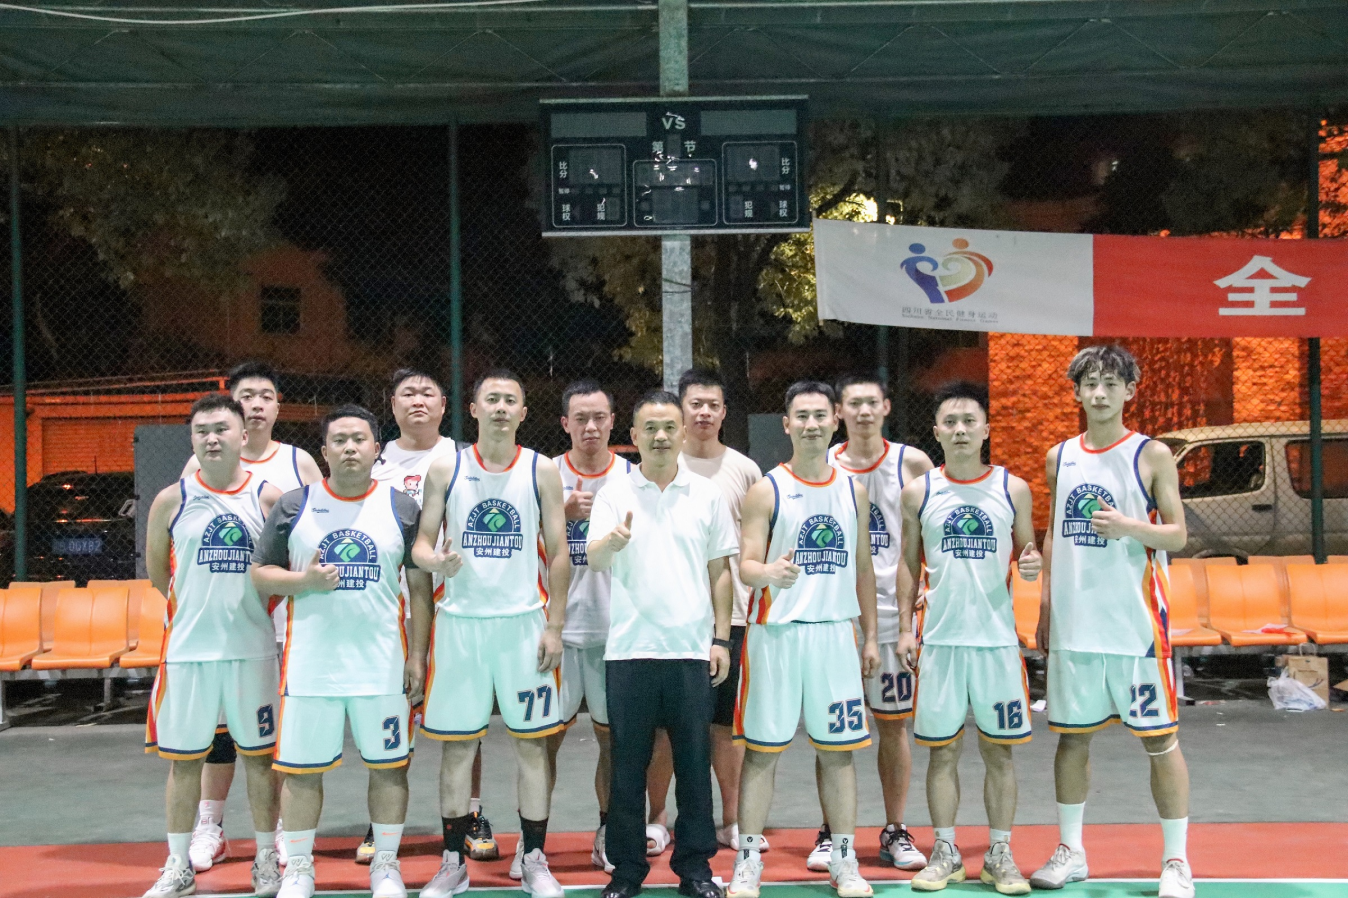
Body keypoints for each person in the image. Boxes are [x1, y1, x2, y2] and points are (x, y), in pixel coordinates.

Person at [1029, 345, 1191, 898]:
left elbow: (1178, 534)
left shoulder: (1153, 455)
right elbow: (1054, 533)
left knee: (1160, 742)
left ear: (1129, 391)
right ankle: (1071, 851)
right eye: (1090, 384)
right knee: (1072, 740)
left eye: (1110, 383)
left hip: (1135, 627)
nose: (1099, 393)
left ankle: (1176, 861)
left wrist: (1130, 527)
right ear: (1077, 392)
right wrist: (1046, 606)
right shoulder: (1059, 457)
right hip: (1076, 627)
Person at [251, 404, 433, 898]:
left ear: (376, 449)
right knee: (300, 773)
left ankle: (386, 866)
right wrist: (303, 581)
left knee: (389, 768)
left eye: (359, 439)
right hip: (311, 667)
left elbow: (419, 589)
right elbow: (260, 573)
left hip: (382, 665)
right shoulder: (294, 505)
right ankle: (299, 869)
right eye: (339, 440)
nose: (350, 448)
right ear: (324, 451)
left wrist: (418, 657)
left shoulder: (402, 507)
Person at [414, 369, 571, 898]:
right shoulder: (447, 467)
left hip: (524, 625)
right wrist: (435, 560)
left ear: (523, 413)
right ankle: (452, 863)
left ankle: (534, 859)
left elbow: (560, 553)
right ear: (474, 410)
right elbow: (420, 547)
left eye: (510, 400)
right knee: (458, 750)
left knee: (532, 748)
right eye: (492, 399)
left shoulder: (541, 469)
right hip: (460, 627)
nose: (501, 407)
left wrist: (555, 625)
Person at [729, 381, 880, 898]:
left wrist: (870, 636)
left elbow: (863, 568)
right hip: (775, 637)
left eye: (820, 415)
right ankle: (748, 861)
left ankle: (844, 859)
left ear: (835, 420)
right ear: (787, 424)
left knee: (839, 753)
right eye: (802, 416)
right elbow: (746, 566)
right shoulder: (766, 489)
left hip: (835, 636)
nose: (811, 424)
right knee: (762, 752)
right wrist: (769, 571)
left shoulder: (854, 491)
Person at [586, 389, 736, 898]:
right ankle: (626, 871)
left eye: (669, 427)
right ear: (633, 436)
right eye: (649, 428)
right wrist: (612, 542)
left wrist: (720, 638)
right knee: (628, 769)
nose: (660, 436)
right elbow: (596, 559)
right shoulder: (614, 494)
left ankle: (695, 871)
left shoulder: (707, 494)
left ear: (683, 433)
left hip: (691, 653)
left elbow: (720, 571)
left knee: (694, 768)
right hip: (630, 654)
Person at [141, 395, 286, 898]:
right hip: (188, 654)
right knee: (185, 763)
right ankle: (177, 865)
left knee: (261, 760)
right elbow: (158, 573)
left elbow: (283, 573)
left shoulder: (269, 499)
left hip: (253, 651)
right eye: (201, 430)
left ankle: (266, 860)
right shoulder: (170, 500)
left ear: (244, 435)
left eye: (221, 428)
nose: (211, 438)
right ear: (192, 439)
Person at [898, 382, 1038, 895]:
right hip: (939, 641)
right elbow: (907, 564)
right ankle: (946, 852)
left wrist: (1031, 564)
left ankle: (1000, 855)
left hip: (996, 642)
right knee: (942, 753)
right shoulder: (918, 492)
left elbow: (1028, 552)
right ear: (936, 432)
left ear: (985, 429)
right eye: (950, 422)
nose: (960, 430)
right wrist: (903, 630)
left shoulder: (1012, 488)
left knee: (1000, 753)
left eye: (969, 421)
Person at [182, 362, 322, 874]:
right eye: (247, 395)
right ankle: (210, 826)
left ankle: (281, 827)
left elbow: (315, 538)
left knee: (276, 736)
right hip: (222, 628)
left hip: (284, 625)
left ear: (278, 407)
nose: (257, 403)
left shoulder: (299, 463)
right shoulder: (201, 463)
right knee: (219, 734)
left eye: (266, 395)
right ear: (233, 408)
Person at [361, 368, 496, 866]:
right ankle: (383, 823)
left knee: (467, 719)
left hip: (455, 607)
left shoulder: (464, 460)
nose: (417, 400)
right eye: (407, 393)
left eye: (428, 393)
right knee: (391, 715)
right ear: (392, 404)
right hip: (389, 610)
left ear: (444, 405)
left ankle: (471, 814)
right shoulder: (372, 463)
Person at [822, 373, 932, 873]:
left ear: (886, 407)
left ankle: (895, 828)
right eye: (854, 403)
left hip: (893, 615)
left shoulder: (912, 462)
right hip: (837, 617)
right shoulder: (823, 463)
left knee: (893, 725)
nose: (863, 411)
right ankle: (831, 832)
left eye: (872, 402)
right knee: (832, 729)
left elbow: (929, 534)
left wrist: (921, 601)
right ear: (839, 412)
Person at [547, 379, 633, 874]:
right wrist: (559, 514)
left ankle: (608, 831)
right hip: (557, 631)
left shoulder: (631, 477)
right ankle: (534, 840)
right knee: (544, 741)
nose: (591, 426)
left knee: (613, 742)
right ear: (565, 423)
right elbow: (522, 543)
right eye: (580, 418)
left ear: (613, 421)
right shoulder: (546, 475)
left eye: (599, 417)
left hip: (616, 633)